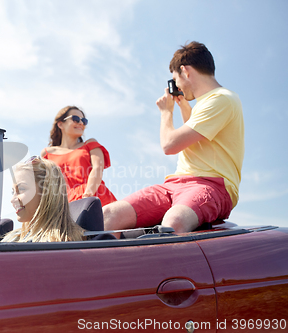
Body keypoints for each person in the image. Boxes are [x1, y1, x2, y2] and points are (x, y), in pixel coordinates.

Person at [103, 41, 244, 234]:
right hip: (175, 184)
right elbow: (196, 138)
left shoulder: (221, 99)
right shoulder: (207, 103)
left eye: (175, 79)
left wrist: (166, 112)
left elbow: (169, 145)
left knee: (174, 222)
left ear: (186, 72)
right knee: (108, 215)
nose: (176, 85)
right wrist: (184, 107)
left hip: (212, 184)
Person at [41, 106, 117, 207]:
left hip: (93, 196)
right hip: (63, 204)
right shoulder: (47, 154)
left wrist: (88, 195)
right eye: (75, 119)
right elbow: (44, 185)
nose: (81, 123)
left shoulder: (90, 144)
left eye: (84, 121)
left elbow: (97, 168)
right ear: (60, 124)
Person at [1, 157, 84, 242]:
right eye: (13, 192)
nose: (12, 199)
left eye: (21, 189)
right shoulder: (15, 237)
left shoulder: (53, 245)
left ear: (46, 192)